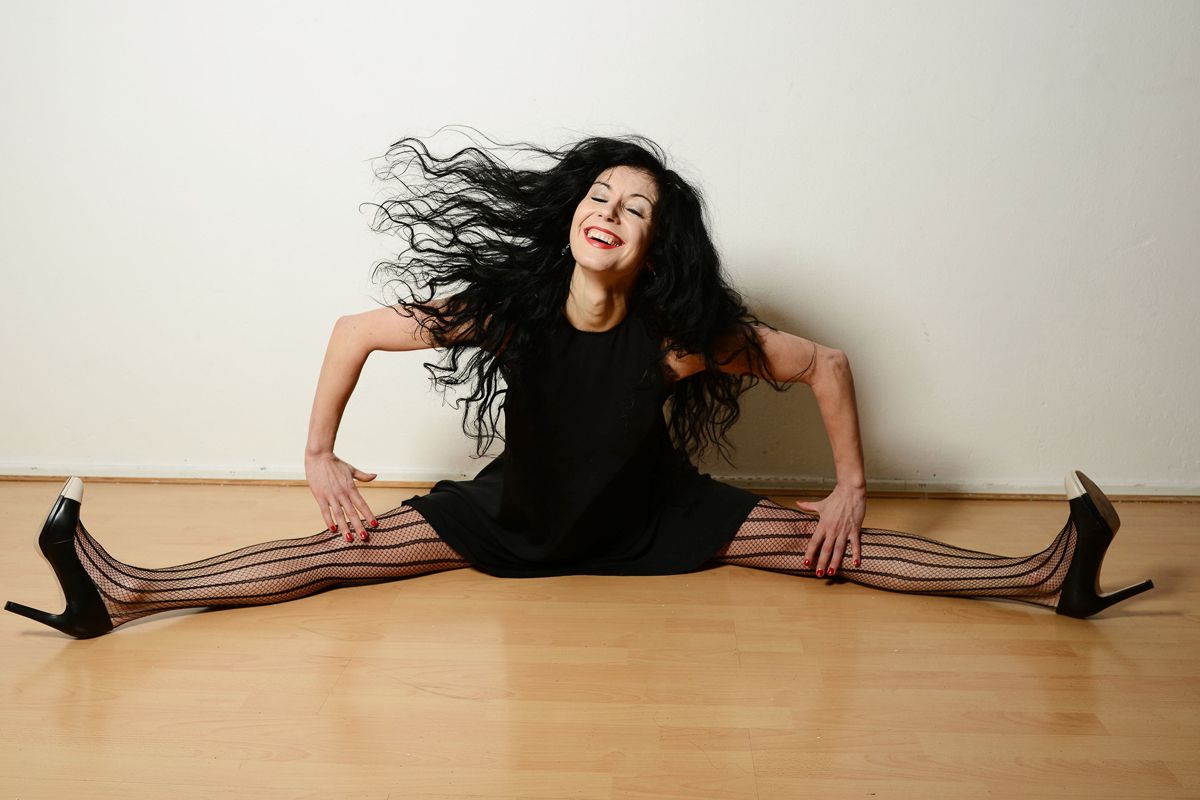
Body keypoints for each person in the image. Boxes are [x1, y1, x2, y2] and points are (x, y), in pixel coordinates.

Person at [5, 128, 1154, 639]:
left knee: (831, 547)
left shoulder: (680, 337)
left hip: (654, 512)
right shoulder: (509, 306)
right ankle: (125, 588)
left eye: (636, 207)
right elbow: (354, 330)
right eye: (602, 195)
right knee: (334, 554)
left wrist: (849, 486)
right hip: (517, 512)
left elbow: (827, 362)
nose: (611, 212)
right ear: (573, 214)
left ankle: (1046, 572)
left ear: (656, 245)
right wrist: (316, 455)